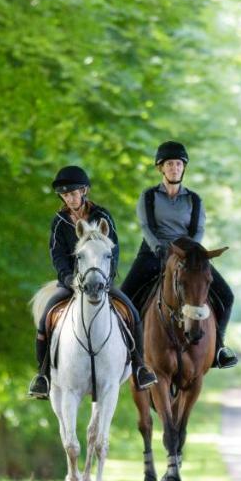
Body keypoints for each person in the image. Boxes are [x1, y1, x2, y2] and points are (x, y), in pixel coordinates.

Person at [28, 165, 158, 399]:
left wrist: (106, 277)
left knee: (131, 312)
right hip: (71, 282)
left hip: (100, 281)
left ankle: (139, 367)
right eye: (66, 195)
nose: (70, 198)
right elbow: (56, 253)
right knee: (47, 317)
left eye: (74, 193)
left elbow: (113, 249)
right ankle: (43, 374)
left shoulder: (102, 216)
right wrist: (67, 278)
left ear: (84, 191)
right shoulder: (59, 221)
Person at [119, 141, 238, 369]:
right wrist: (160, 249)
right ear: (161, 168)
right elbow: (146, 226)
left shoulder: (194, 199)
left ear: (183, 168)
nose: (174, 168)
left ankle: (219, 348)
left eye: (178, 164)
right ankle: (126, 347)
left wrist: (188, 254)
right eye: (169, 164)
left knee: (227, 295)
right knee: (124, 297)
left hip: (188, 256)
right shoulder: (149, 196)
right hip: (154, 253)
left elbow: (198, 230)